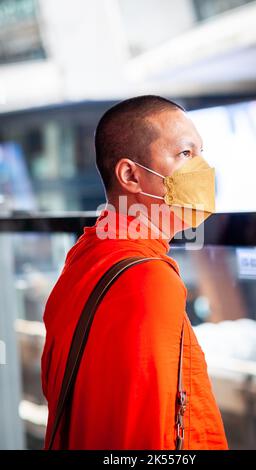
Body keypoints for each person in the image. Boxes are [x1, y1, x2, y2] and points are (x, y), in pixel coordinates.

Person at [41, 95, 228, 450]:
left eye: (201, 153)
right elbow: (145, 435)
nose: (203, 169)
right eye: (185, 154)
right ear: (130, 175)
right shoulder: (147, 279)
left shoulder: (87, 255)